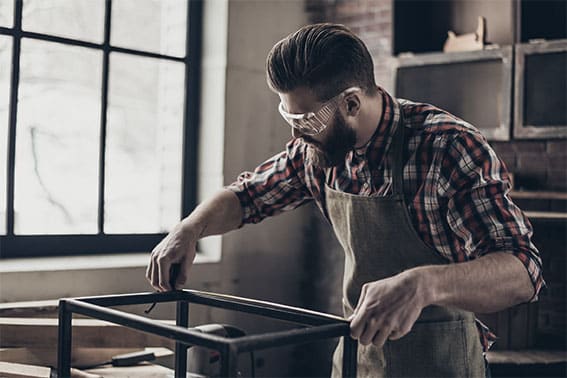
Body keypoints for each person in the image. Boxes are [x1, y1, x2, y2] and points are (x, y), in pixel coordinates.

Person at [146, 23, 544, 377]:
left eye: (307, 120)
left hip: (442, 364)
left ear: (351, 103)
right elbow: (248, 196)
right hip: (358, 361)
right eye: (290, 118)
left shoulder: (447, 146)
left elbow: (523, 272)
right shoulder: (316, 152)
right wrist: (189, 228)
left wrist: (426, 284)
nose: (297, 133)